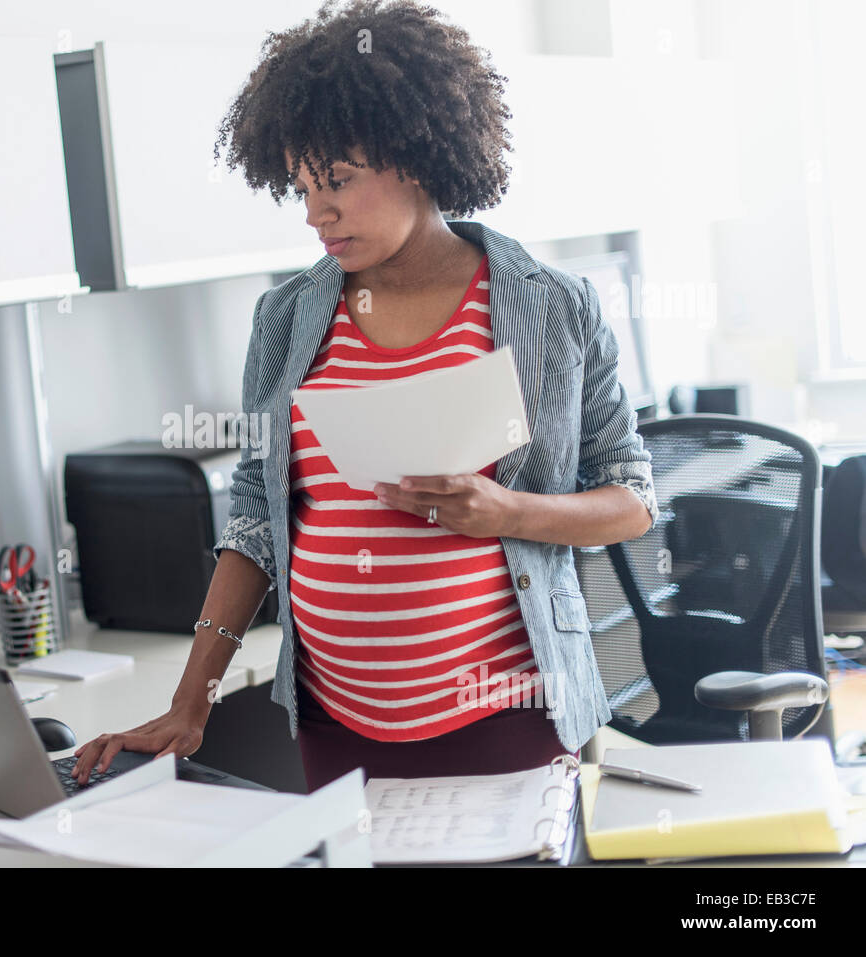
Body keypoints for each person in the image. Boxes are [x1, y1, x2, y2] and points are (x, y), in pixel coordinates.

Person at [72, 0, 659, 792]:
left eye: (338, 182)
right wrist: (192, 699)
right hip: (334, 721)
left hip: (506, 713)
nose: (316, 213)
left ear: (412, 156)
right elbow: (254, 519)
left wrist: (506, 511)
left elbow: (633, 500)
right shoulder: (285, 320)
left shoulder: (551, 306)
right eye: (301, 188)